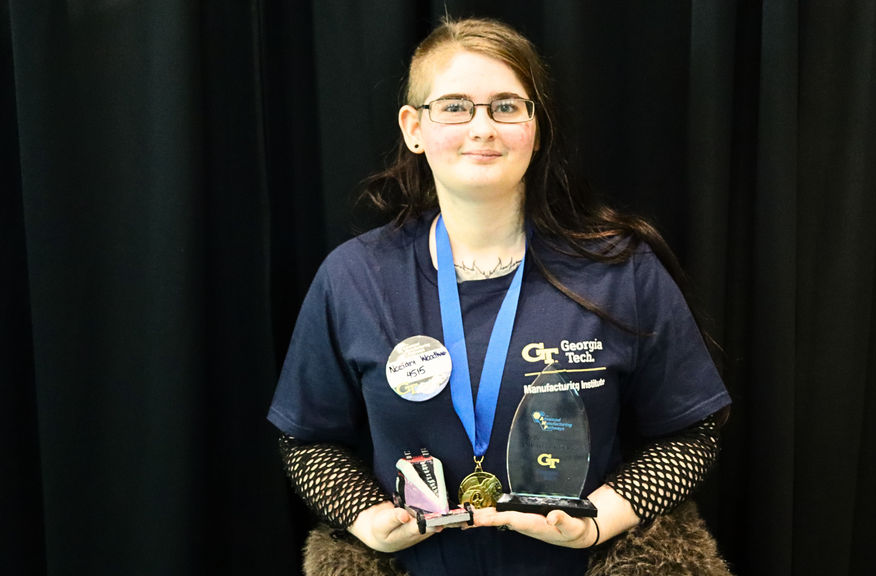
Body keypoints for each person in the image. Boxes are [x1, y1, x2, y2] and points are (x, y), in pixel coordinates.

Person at [268, 16, 731, 576]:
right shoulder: (353, 277)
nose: (482, 127)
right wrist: (363, 515)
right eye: (455, 106)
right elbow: (307, 440)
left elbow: (691, 433)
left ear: (535, 128)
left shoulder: (619, 268)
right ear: (414, 128)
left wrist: (597, 520)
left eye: (507, 106)